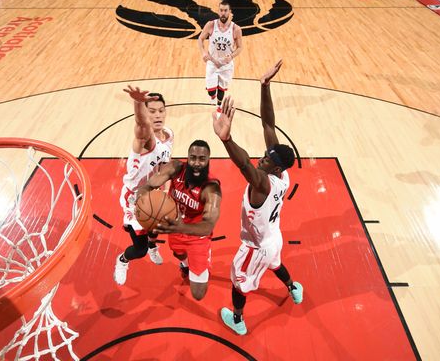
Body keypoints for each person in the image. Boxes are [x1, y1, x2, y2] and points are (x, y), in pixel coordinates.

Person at [211, 60, 303, 335]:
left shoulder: (262, 184)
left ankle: (238, 320)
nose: (262, 158)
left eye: (267, 158)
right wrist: (265, 86)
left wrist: (227, 140)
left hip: (254, 247)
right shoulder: (282, 176)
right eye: (265, 155)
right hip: (273, 237)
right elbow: (268, 123)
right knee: (276, 263)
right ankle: (292, 288)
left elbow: (245, 166)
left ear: (275, 167)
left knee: (239, 283)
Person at [137, 140, 222, 300]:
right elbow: (148, 186)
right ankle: (185, 264)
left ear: (208, 160)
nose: (197, 163)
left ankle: (204, 260)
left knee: (198, 294)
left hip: (197, 236)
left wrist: (179, 227)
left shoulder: (211, 188)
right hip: (175, 226)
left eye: (202, 159)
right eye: (193, 157)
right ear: (187, 157)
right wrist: (140, 199)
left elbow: (207, 227)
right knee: (178, 253)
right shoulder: (175, 168)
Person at [113, 86, 173, 286]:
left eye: (161, 110)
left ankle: (153, 246)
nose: (157, 115)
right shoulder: (146, 140)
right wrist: (138, 103)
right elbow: (141, 125)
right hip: (134, 200)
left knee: (155, 230)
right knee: (139, 250)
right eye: (152, 111)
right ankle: (123, 260)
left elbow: (165, 167)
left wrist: (165, 192)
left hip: (152, 195)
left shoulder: (168, 135)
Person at [198, 0, 243, 110]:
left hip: (226, 65)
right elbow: (200, 38)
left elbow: (240, 47)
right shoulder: (211, 25)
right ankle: (213, 97)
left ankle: (218, 106)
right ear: (218, 11)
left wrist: (232, 56)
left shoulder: (236, 29)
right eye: (221, 10)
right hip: (212, 62)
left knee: (221, 92)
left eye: (225, 10)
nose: (223, 13)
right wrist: (203, 52)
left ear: (230, 12)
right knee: (211, 91)